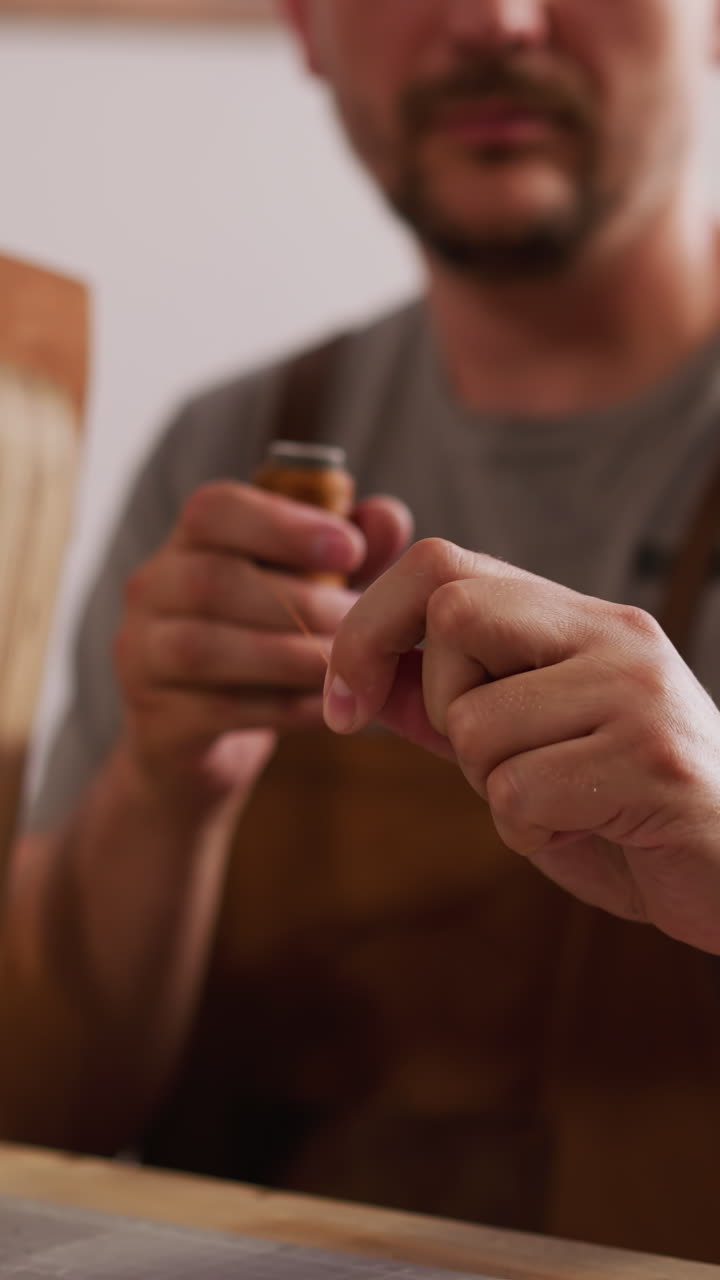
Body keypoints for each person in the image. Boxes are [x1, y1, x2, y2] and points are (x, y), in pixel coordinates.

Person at [3, 0, 720, 1262]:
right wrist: (165, 792)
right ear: (307, 28)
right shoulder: (227, 451)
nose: (494, 19)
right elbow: (48, 1104)